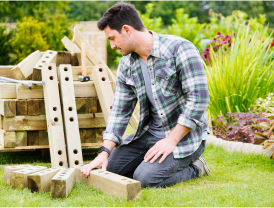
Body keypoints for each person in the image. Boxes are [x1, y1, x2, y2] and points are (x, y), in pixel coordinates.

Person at [81, 2, 210, 188]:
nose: (112, 46)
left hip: (184, 138)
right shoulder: (127, 64)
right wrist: (104, 152)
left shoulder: (180, 49)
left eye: (112, 38)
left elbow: (199, 99)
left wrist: (171, 141)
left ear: (126, 30)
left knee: (144, 178)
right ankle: (151, 158)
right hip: (149, 133)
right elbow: (120, 111)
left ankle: (197, 167)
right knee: (109, 171)